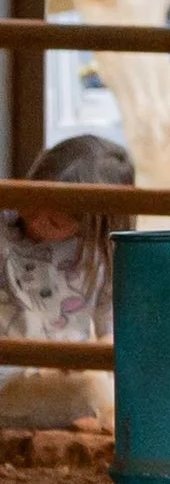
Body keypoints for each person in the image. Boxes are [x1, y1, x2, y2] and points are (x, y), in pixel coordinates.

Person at [0, 134, 135, 434]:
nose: (36, 223)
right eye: (31, 206)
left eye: (56, 223)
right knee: (91, 392)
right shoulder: (4, 233)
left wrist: (91, 352)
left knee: (103, 385)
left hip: (66, 374)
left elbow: (110, 331)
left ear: (92, 225)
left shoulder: (100, 255)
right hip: (8, 379)